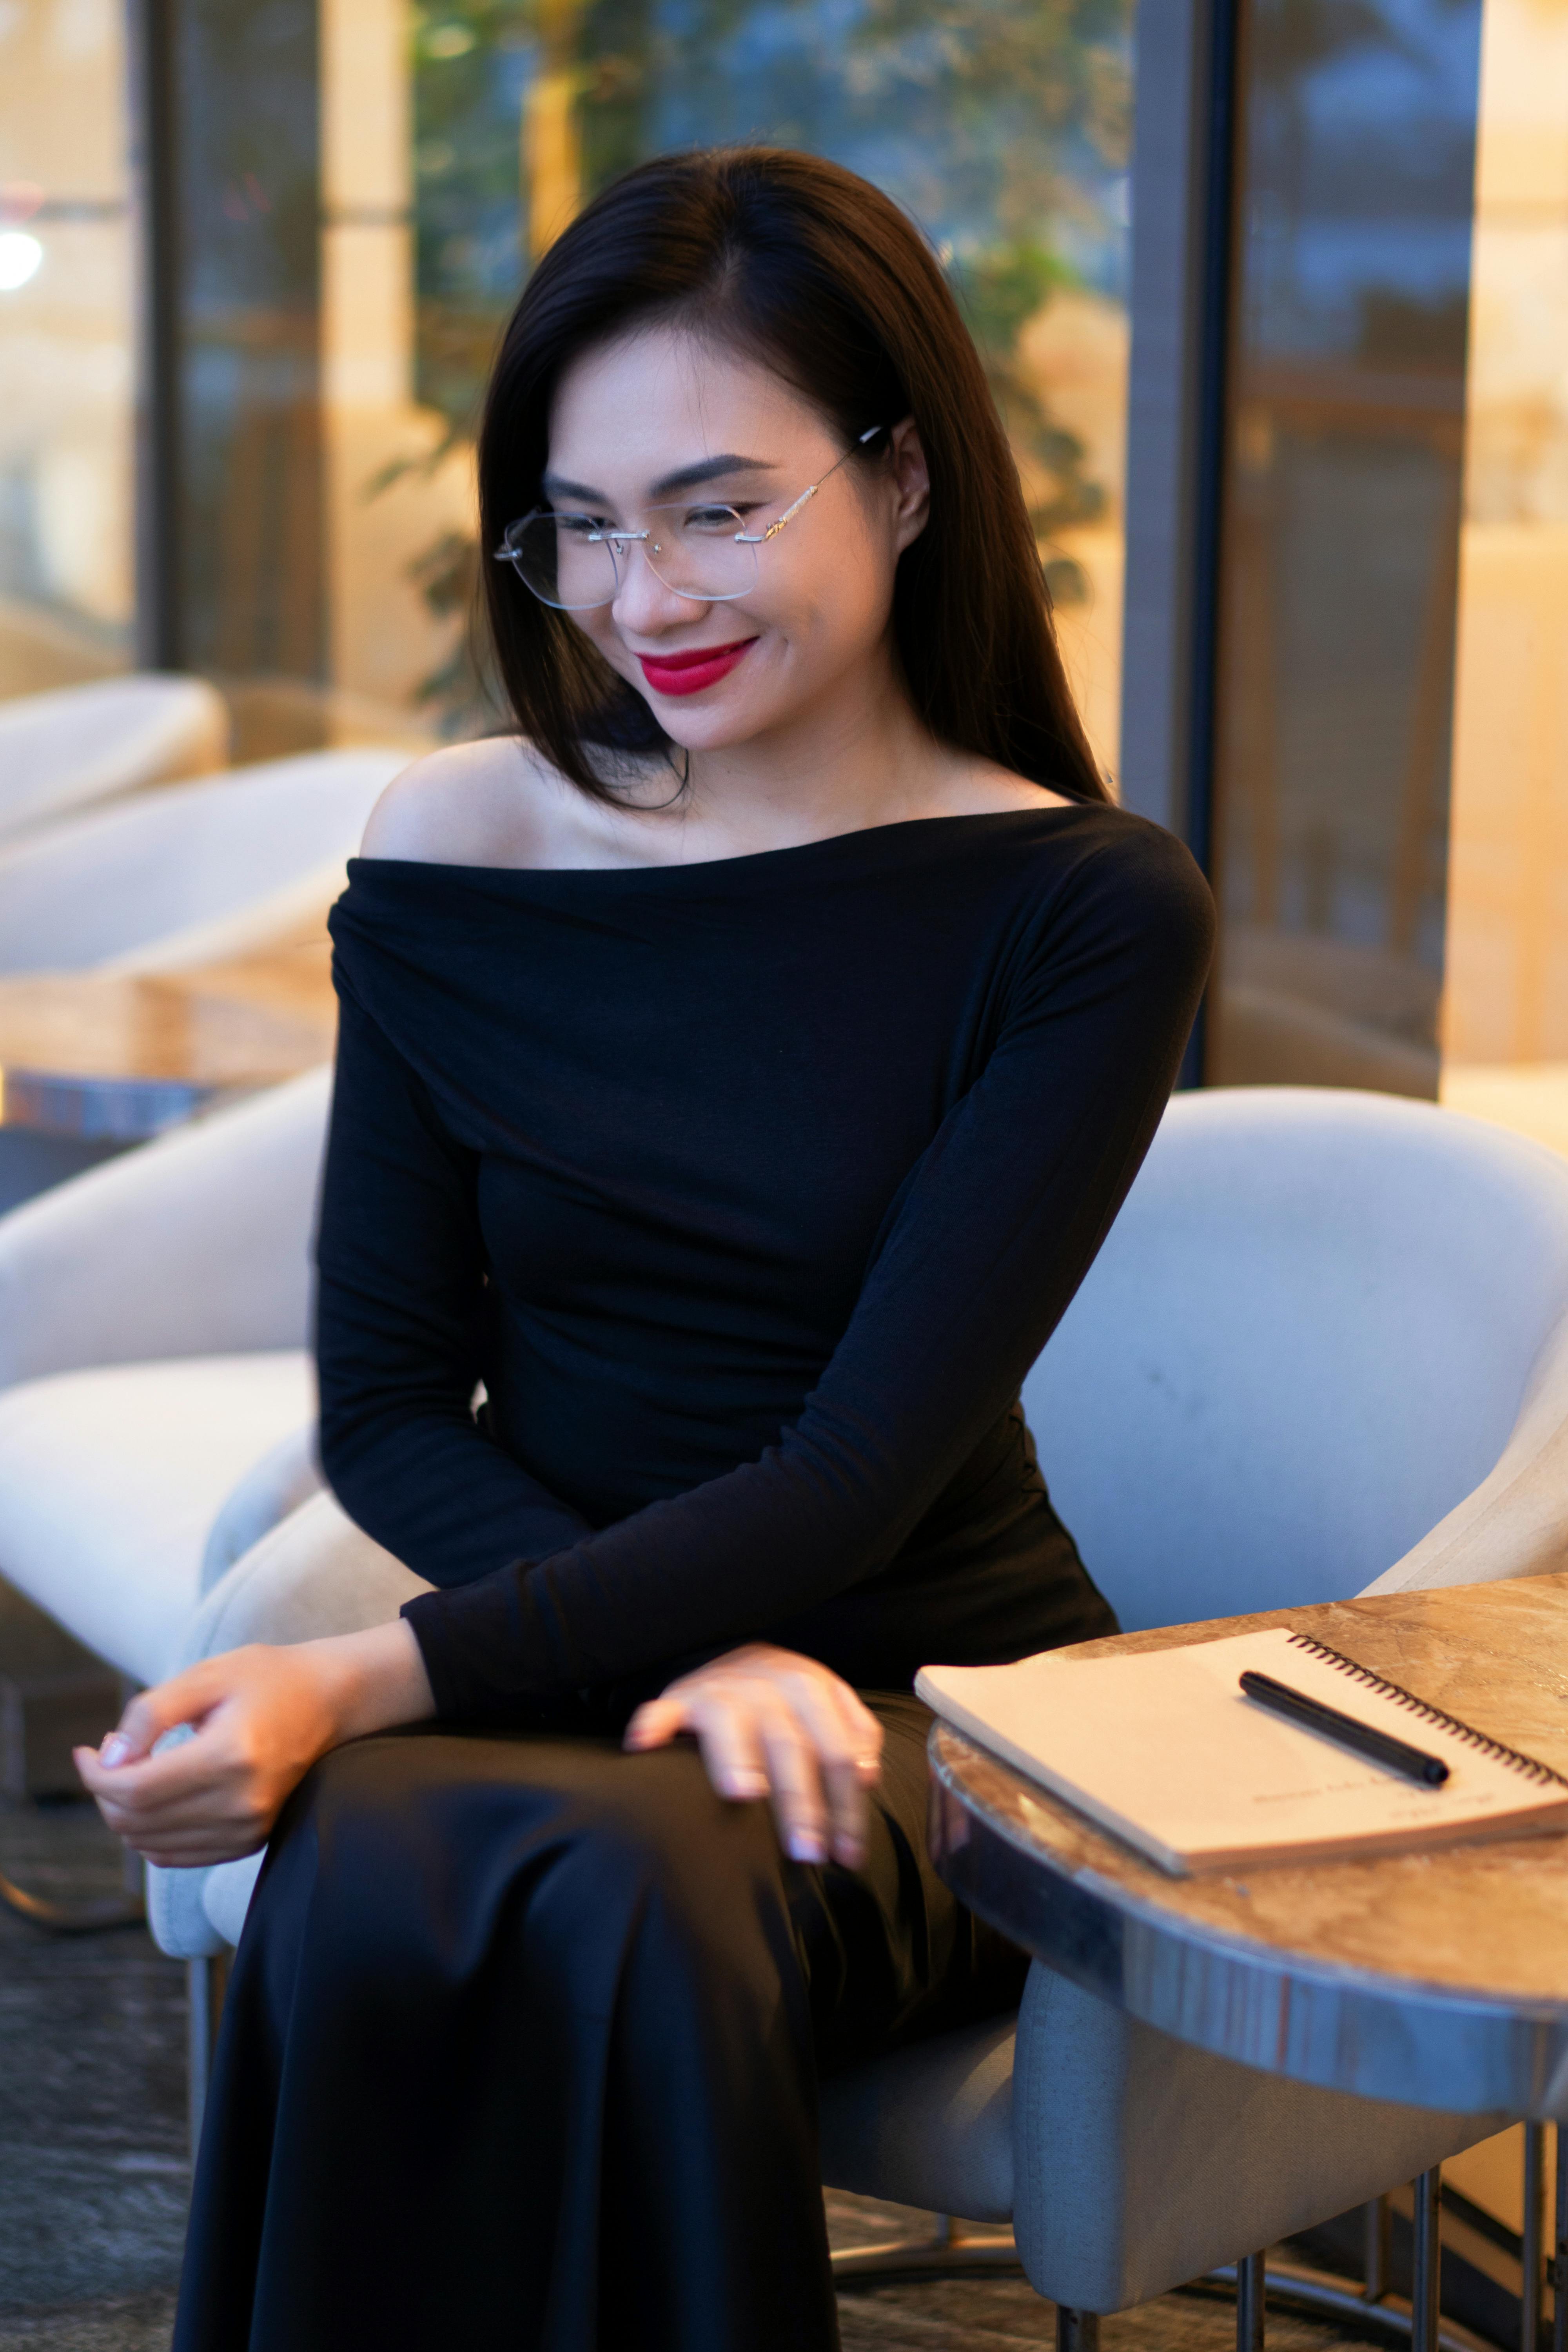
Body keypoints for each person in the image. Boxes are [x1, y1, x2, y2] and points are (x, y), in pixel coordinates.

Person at [77, 146, 1213, 2352]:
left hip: (924, 1697)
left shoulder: (1082, 909)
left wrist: (357, 1674)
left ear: (899, 483)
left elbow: (856, 1478)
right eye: (580, 525)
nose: (639, 592)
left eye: (718, 504)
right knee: (369, 1859)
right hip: (608, 1632)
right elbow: (393, 1404)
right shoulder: (457, 844)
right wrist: (659, 1661)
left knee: (611, 1868)